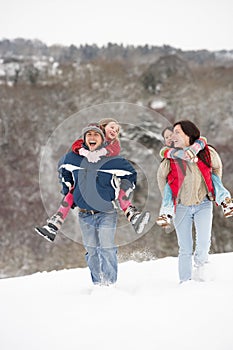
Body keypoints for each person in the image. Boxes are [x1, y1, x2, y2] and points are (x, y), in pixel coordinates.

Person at [35, 119, 150, 241]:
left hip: (105, 180)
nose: (114, 131)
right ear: (103, 128)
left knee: (120, 193)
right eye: (112, 127)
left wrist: (102, 152)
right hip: (86, 177)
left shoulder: (113, 143)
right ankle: (55, 223)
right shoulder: (92, 136)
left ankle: (132, 214)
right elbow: (77, 145)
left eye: (117, 130)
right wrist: (83, 152)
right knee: (73, 190)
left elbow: (115, 151)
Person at [58, 123, 139, 285]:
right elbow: (63, 168)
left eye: (96, 135)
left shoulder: (112, 161)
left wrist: (124, 189)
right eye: (89, 135)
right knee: (92, 251)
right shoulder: (73, 158)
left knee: (107, 247)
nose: (92, 138)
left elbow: (131, 173)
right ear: (84, 139)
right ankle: (98, 283)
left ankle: (110, 284)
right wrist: (66, 186)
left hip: (106, 213)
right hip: (84, 214)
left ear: (102, 139)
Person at [157, 120, 231, 283]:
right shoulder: (171, 157)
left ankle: (202, 274)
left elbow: (217, 167)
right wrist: (168, 198)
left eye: (177, 132)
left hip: (203, 204)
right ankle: (185, 282)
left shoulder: (206, 152)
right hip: (181, 207)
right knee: (185, 248)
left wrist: (213, 185)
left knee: (204, 243)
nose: (173, 136)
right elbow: (161, 176)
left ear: (188, 134)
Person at [156, 126, 233, 228]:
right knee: (168, 188)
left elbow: (202, 141)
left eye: (171, 135)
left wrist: (211, 188)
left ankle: (225, 201)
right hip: (178, 185)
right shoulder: (168, 154)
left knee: (213, 178)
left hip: (203, 178)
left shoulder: (198, 146)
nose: (169, 138)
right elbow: (161, 174)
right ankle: (166, 213)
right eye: (166, 137)